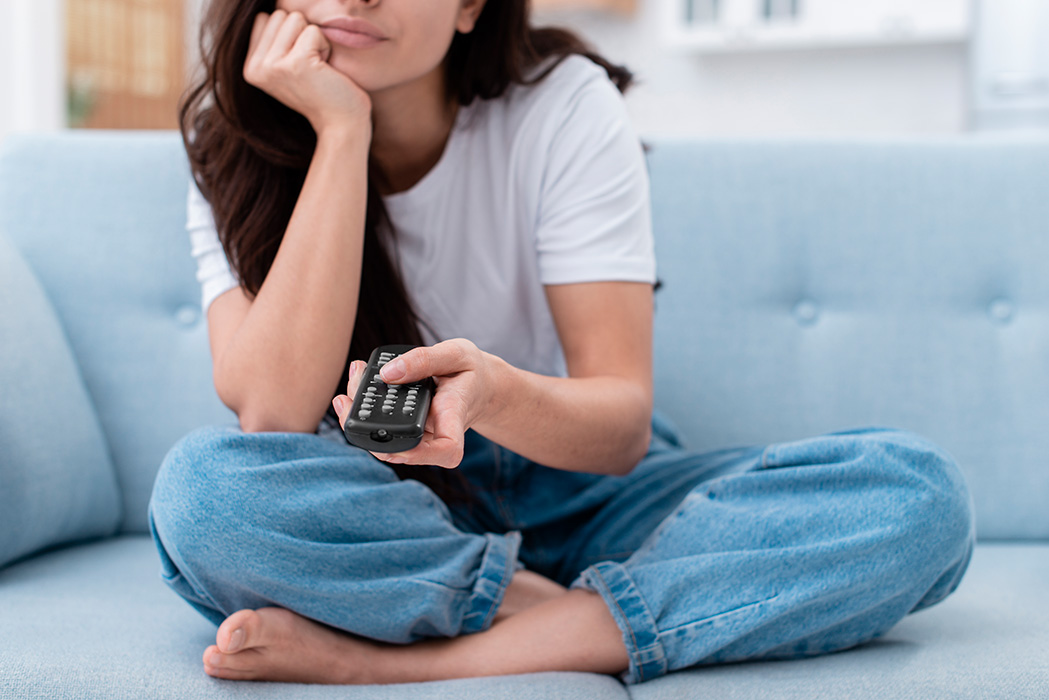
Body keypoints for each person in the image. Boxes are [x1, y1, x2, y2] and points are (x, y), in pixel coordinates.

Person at [148, 0, 976, 686]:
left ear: (471, 5)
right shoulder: (230, 143)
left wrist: (496, 393)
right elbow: (272, 411)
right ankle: (578, 616)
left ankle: (418, 662)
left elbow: (618, 432)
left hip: (578, 488)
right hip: (385, 511)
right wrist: (339, 133)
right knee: (204, 493)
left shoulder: (562, 104)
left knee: (915, 496)